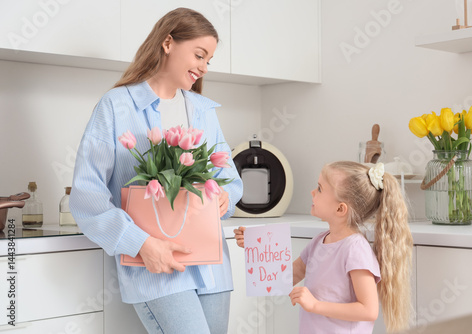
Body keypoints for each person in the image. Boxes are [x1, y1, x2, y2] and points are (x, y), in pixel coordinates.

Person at [70, 8, 243, 334]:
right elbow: (87, 195)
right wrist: (140, 244)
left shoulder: (203, 110)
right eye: (199, 55)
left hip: (212, 265)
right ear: (167, 43)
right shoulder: (116, 106)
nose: (204, 67)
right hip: (157, 266)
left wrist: (224, 196)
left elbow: (229, 178)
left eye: (209, 60)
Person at [235, 161, 413, 333]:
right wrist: (256, 248)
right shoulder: (319, 242)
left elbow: (368, 310)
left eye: (320, 188)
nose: (313, 192)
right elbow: (285, 278)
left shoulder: (355, 249)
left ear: (340, 209)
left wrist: (315, 305)